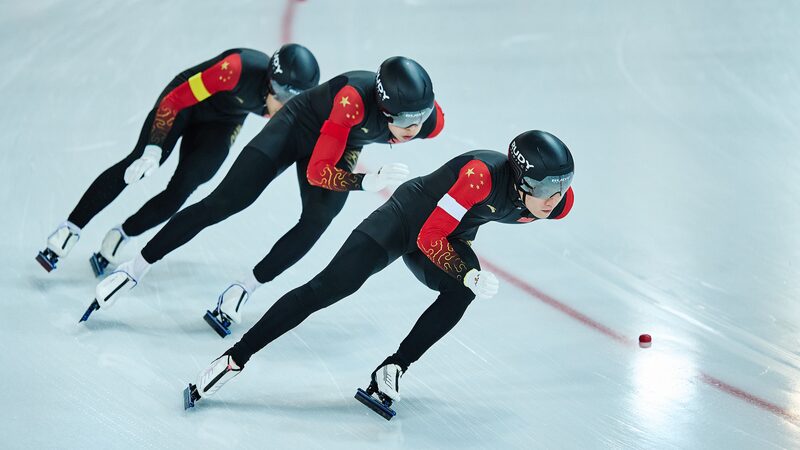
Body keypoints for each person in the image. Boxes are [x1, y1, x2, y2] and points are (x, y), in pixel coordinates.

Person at [185, 130, 575, 415]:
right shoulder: (480, 176)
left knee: (460, 294)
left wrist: (465, 276)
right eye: (547, 189)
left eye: (562, 186)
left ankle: (394, 366)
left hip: (446, 234)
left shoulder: (556, 203)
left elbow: (445, 229)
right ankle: (235, 358)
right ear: (522, 181)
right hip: (404, 222)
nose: (556, 199)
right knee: (328, 287)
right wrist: (468, 272)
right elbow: (427, 235)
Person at [84, 56, 446, 328]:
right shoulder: (352, 100)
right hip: (296, 128)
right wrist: (363, 182)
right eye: (401, 122)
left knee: (317, 220)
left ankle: (244, 288)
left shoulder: (427, 121)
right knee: (224, 203)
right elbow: (320, 172)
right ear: (383, 110)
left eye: (421, 117)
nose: (412, 129)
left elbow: (412, 128)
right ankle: (135, 268)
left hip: (341, 143)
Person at [36, 44, 321, 276]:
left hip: (222, 123)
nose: (286, 107)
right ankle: (70, 228)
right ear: (271, 83)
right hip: (184, 104)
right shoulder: (235, 70)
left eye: (295, 101)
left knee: (184, 188)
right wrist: (153, 148)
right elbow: (175, 101)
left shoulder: (287, 102)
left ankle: (123, 234)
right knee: (136, 165)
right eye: (283, 98)